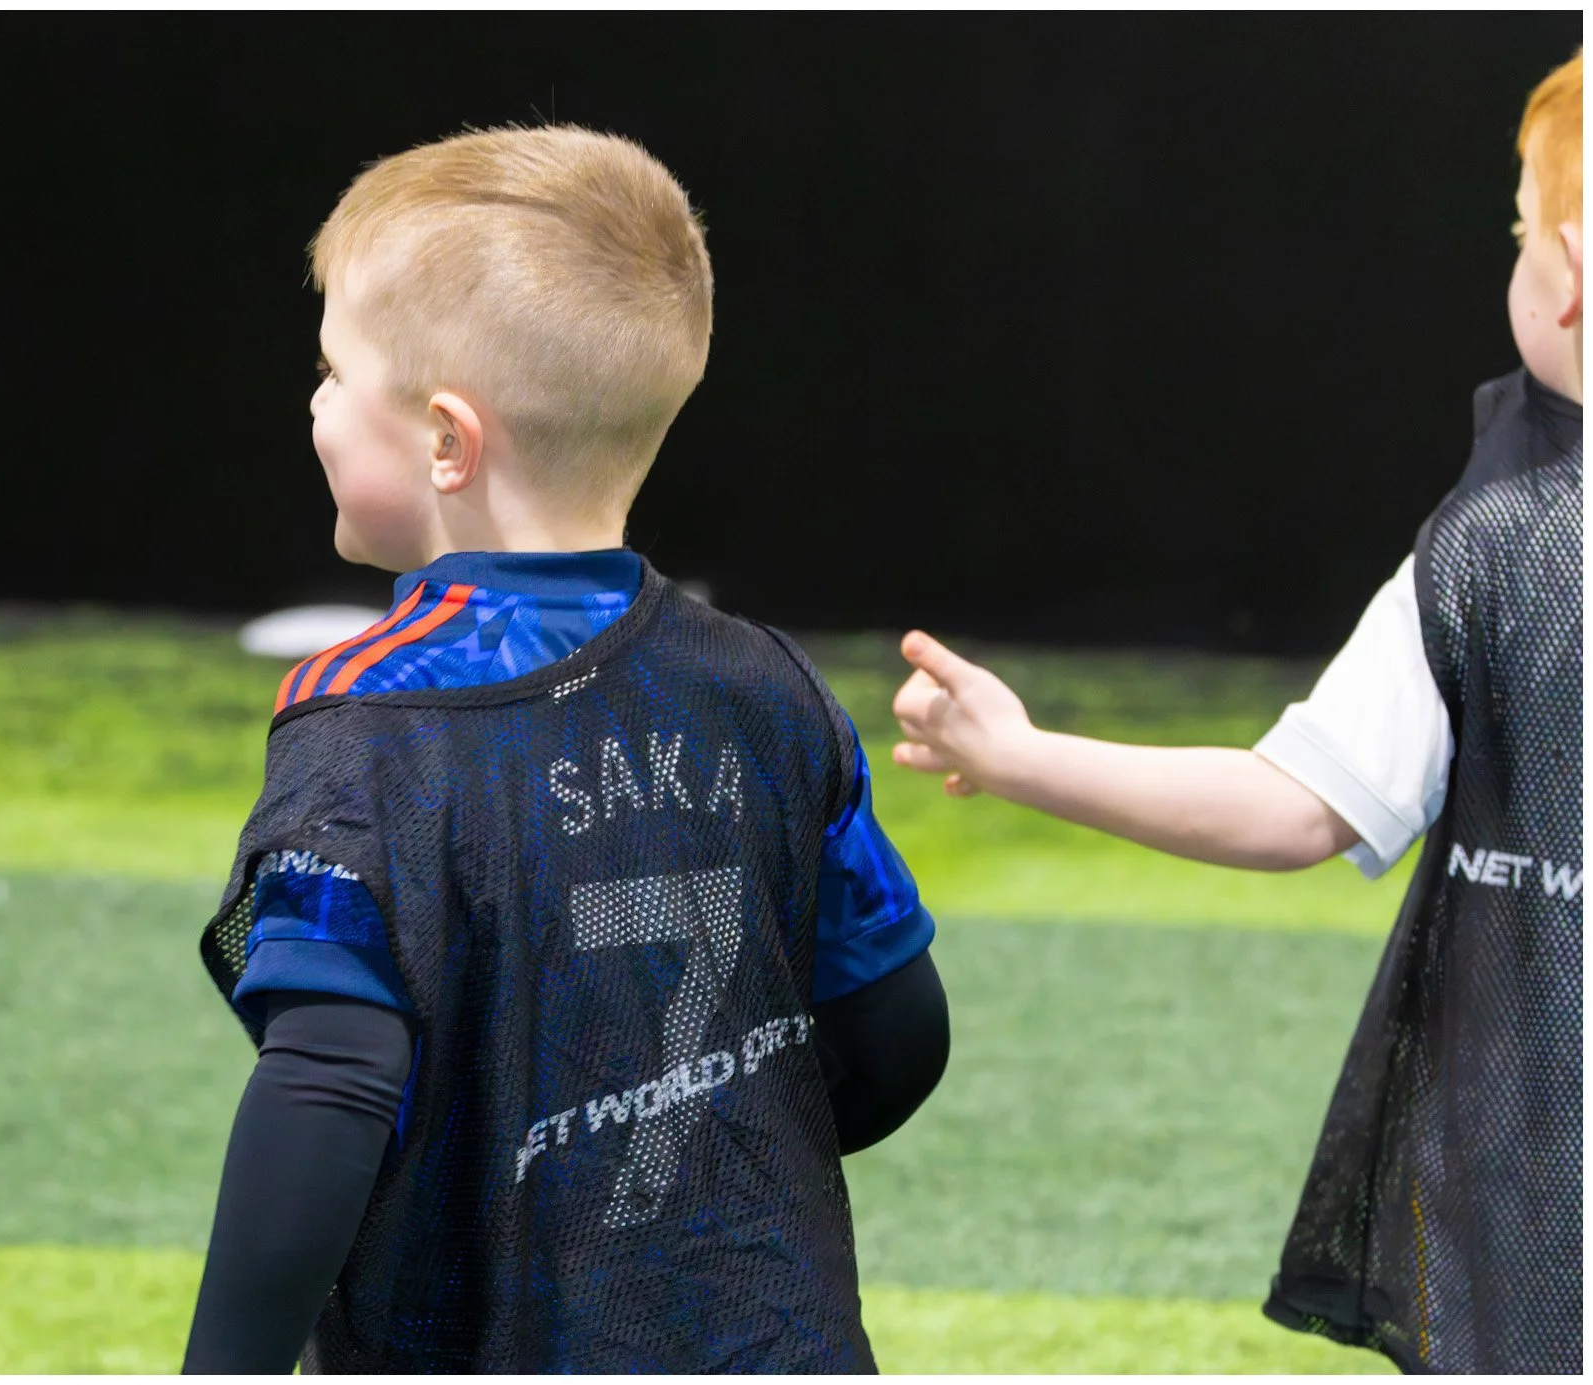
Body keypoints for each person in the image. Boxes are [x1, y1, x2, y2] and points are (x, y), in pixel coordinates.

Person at [182, 125, 949, 1374]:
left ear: (446, 440)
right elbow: (898, 1038)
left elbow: (327, 1088)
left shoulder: (370, 715)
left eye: (331, 370)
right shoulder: (766, 683)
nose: (313, 401)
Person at [889, 53, 1582, 1376]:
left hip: (1540, 1231)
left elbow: (1290, 808)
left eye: (1514, 231)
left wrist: (1020, 756)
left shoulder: (1495, 551)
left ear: (1568, 267)